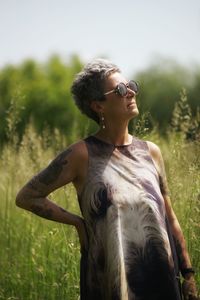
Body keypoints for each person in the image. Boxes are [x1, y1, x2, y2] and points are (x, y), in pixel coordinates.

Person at [16, 59, 198, 300]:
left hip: (162, 278)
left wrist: (188, 275)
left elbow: (169, 216)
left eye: (131, 85)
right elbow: (27, 196)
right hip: (111, 282)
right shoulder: (82, 154)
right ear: (98, 106)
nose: (131, 92)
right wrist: (78, 223)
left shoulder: (151, 152)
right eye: (121, 90)